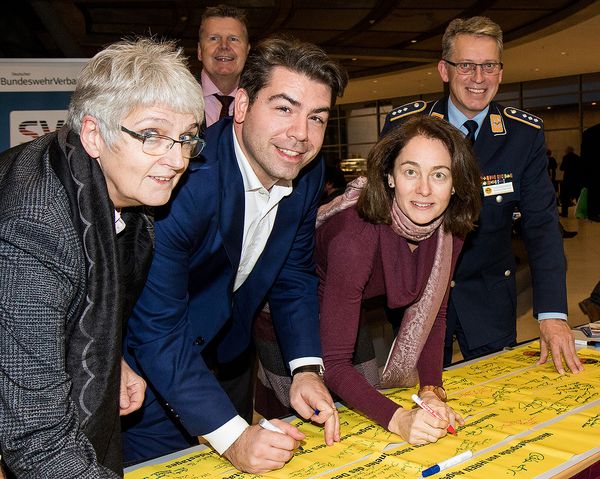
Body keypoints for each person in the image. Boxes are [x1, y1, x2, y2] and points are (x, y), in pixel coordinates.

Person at [122, 37, 348, 475]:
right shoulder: (187, 177)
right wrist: (232, 437)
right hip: (146, 372)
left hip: (228, 358)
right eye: (284, 108)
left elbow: (293, 275)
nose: (301, 134)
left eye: (316, 117)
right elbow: (157, 329)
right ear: (241, 105)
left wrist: (305, 369)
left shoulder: (307, 169)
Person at [0, 38, 204, 478]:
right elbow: (37, 441)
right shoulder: (33, 226)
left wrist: (112, 358)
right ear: (94, 133)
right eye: (152, 135)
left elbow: (87, 296)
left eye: (186, 139)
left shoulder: (115, 185)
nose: (175, 159)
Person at [382, 16, 582, 374]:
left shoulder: (524, 135)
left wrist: (552, 313)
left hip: (491, 299)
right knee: (419, 409)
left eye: (489, 66)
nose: (479, 78)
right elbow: (380, 216)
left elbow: (541, 226)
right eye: (467, 66)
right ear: (444, 69)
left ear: (500, 72)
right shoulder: (405, 127)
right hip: (419, 300)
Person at [315, 116, 481, 444]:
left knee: (363, 406)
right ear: (390, 177)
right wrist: (400, 419)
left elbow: (434, 315)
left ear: (455, 183)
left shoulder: (449, 231)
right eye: (410, 171)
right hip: (291, 314)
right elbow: (333, 363)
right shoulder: (355, 237)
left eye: (439, 175)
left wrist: (431, 390)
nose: (424, 189)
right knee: (316, 421)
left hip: (352, 307)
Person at [198, 4, 250, 126]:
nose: (224, 46)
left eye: (233, 39)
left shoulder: (259, 100)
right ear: (200, 51)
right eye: (214, 38)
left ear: (247, 51)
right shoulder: (175, 95)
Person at [581, 123, 600, 222]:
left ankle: (593, 213)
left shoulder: (588, 133)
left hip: (592, 171)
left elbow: (584, 157)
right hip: (594, 170)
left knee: (593, 192)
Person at [559, 146, 582, 217]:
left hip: (567, 180)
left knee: (565, 198)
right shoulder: (577, 157)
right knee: (578, 197)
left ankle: (564, 213)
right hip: (576, 180)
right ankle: (580, 213)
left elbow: (561, 168)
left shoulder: (565, 157)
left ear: (568, 151)